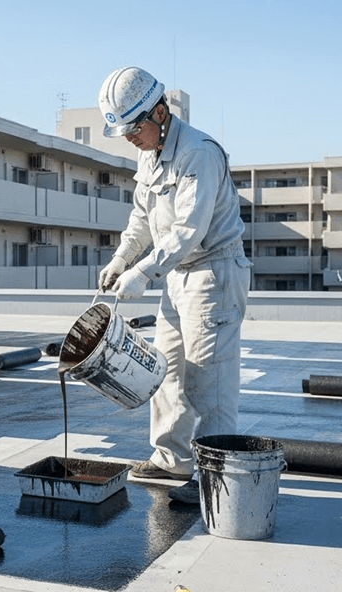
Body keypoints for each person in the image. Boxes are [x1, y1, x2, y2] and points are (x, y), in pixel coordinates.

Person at [96, 66, 251, 504]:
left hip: (213, 273)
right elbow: (142, 218)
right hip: (178, 275)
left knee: (208, 380)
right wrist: (122, 258)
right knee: (165, 371)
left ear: (160, 112)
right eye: (125, 132)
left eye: (135, 129)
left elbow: (189, 229)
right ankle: (172, 459)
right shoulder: (150, 153)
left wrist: (144, 272)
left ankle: (215, 478)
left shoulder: (198, 153)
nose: (131, 139)